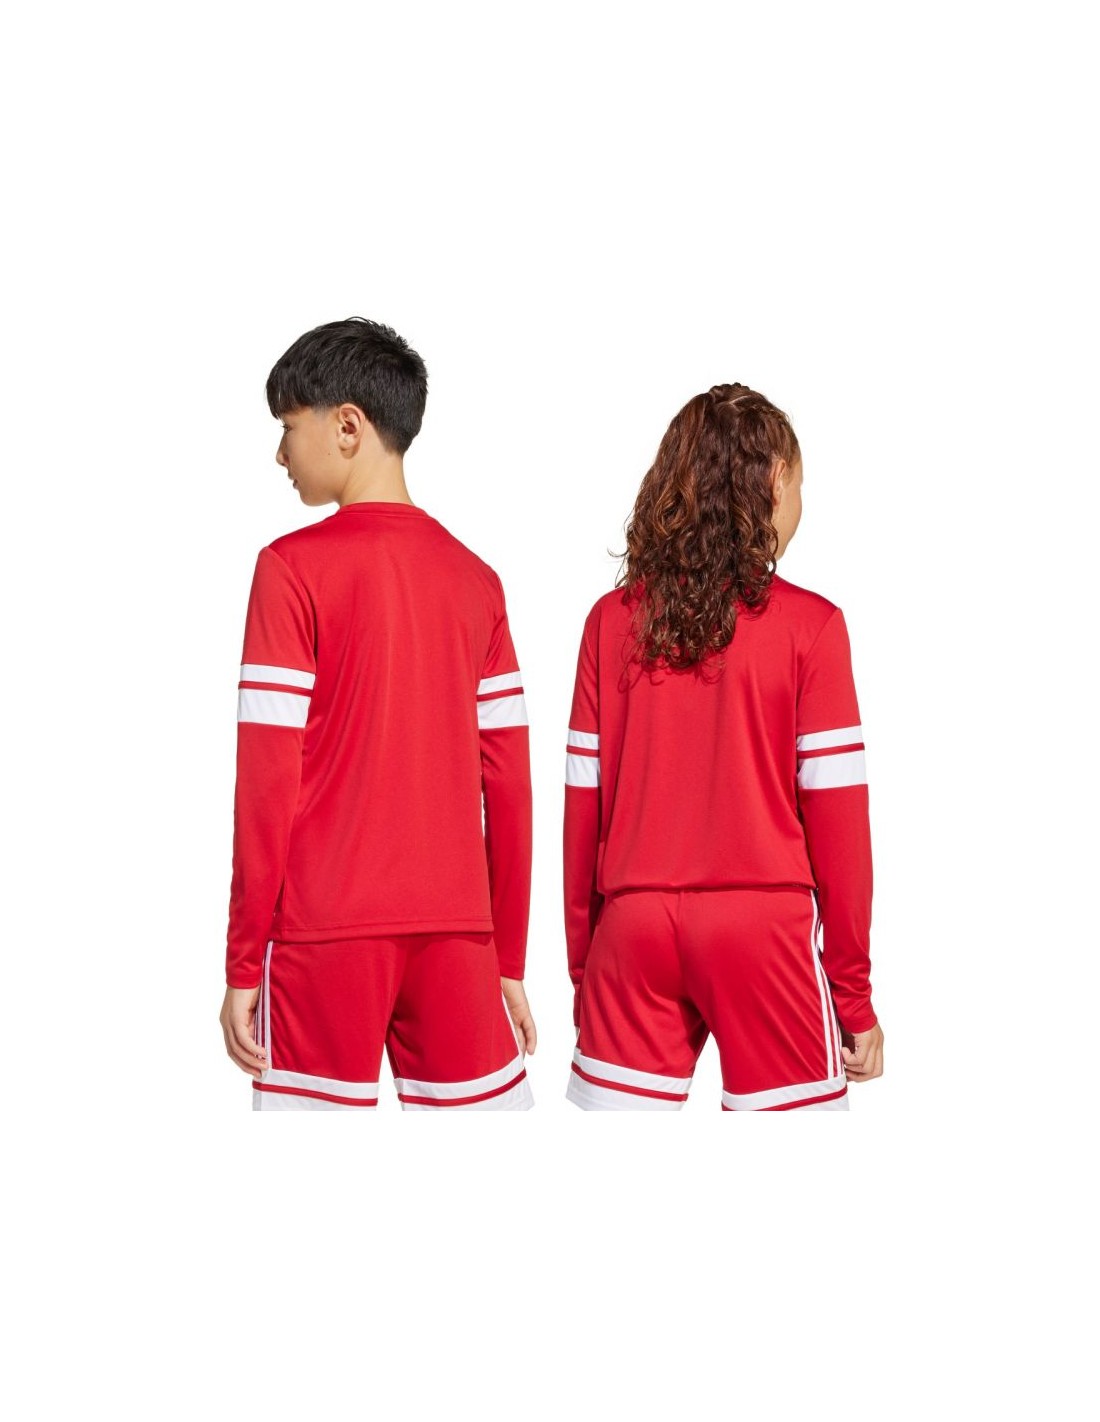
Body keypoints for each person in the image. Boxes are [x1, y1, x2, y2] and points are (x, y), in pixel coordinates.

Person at [218, 317, 535, 1110]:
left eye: (288, 427)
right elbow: (512, 786)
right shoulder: (478, 581)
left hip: (324, 934)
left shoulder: (289, 570)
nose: (280, 454)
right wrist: (507, 957)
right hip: (460, 932)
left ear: (348, 426)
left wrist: (242, 962)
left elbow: (267, 783)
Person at [563, 382, 883, 1111]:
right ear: (777, 480)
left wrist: (584, 969)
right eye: (801, 484)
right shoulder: (812, 628)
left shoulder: (609, 622)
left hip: (632, 929)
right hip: (762, 934)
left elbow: (584, 811)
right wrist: (853, 996)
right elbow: (840, 826)